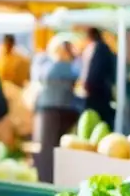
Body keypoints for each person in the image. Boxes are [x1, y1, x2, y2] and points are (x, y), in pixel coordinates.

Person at [33, 37, 80, 183]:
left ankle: (48, 178)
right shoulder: (55, 64)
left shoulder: (53, 65)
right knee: (51, 147)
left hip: (54, 109)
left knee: (49, 147)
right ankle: (49, 179)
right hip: (57, 109)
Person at [78, 27, 116, 126]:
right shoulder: (101, 47)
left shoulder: (98, 48)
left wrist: (87, 86)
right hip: (100, 92)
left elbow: (93, 73)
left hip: (98, 93)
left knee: (97, 121)